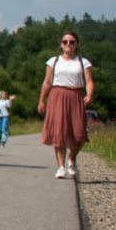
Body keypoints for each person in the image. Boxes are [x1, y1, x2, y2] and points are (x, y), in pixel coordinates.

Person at [38, 32, 95, 179]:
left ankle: (72, 158)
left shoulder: (83, 62)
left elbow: (89, 81)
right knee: (59, 132)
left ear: (77, 44)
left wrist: (89, 95)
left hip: (76, 96)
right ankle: (61, 167)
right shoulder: (54, 61)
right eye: (65, 42)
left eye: (72, 42)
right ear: (61, 44)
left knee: (79, 133)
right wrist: (41, 100)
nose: (68, 44)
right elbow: (47, 82)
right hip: (57, 95)